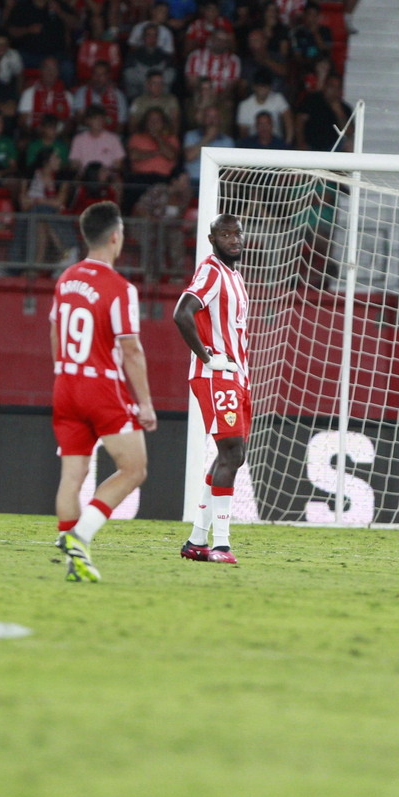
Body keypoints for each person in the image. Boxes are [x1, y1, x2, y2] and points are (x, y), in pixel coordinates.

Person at [48, 202, 159, 582]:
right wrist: (144, 403)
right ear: (116, 237)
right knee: (134, 468)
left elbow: (53, 330)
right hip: (100, 385)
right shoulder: (119, 287)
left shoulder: (66, 278)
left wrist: (61, 369)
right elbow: (131, 349)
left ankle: (72, 561)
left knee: (72, 475)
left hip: (65, 382)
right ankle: (80, 537)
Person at [172, 214, 248, 564]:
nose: (233, 240)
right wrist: (208, 358)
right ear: (212, 238)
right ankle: (221, 545)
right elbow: (182, 312)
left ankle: (197, 541)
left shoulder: (235, 276)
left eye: (237, 234)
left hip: (237, 376)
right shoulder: (212, 271)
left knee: (228, 454)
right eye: (225, 234)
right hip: (216, 375)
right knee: (232, 453)